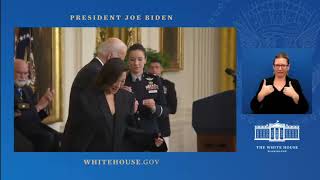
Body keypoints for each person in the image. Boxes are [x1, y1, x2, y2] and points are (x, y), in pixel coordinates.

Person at [61, 58, 162, 151]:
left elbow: (127, 129)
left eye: (122, 81)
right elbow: (75, 131)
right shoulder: (86, 98)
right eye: (115, 80)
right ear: (106, 77)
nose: (118, 86)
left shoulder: (127, 98)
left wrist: (151, 140)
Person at [64, 38, 127, 138]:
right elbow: (101, 111)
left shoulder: (94, 69)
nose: (121, 65)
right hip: (83, 141)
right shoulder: (95, 73)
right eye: (120, 60)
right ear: (110, 56)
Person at [122, 43, 168, 152]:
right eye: (132, 59)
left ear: (145, 60)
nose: (136, 63)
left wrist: (154, 108)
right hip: (129, 135)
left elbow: (165, 110)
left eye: (140, 59)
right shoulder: (122, 81)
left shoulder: (155, 80)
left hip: (150, 135)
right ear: (128, 61)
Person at [14, 59, 60, 151]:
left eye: (26, 73)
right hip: (17, 130)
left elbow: (35, 116)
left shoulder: (27, 89)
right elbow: (18, 119)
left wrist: (45, 106)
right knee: (47, 138)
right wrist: (38, 107)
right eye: (19, 73)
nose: (23, 76)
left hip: (31, 126)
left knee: (58, 136)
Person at [148, 59, 177, 151]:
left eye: (157, 67)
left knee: (163, 158)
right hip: (147, 126)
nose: (154, 70)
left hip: (162, 127)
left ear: (162, 69)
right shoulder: (143, 83)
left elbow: (173, 108)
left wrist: (158, 109)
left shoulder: (169, 85)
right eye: (151, 67)